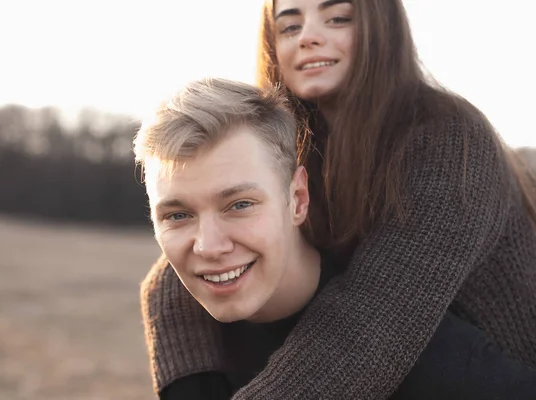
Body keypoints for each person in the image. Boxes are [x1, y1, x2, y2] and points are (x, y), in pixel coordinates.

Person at [139, 1, 536, 399]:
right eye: (290, 26)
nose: (308, 35)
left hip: (496, 370)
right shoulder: (293, 138)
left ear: (383, 29)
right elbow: (174, 272)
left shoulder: (448, 138)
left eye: (338, 18)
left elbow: (378, 319)